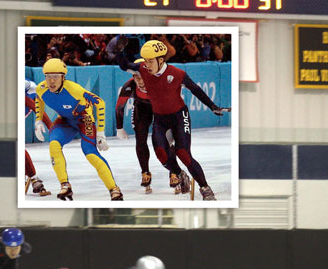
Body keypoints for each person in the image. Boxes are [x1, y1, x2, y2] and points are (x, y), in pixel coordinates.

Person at [118, 39, 230, 200]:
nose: (146, 65)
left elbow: (196, 89)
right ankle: (179, 173)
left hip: (179, 116)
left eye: (150, 61)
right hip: (161, 119)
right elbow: (124, 65)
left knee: (183, 153)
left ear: (161, 60)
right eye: (146, 61)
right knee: (161, 154)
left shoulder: (177, 74)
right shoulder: (142, 69)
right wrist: (120, 51)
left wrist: (212, 106)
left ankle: (205, 188)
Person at [34, 58, 123, 201]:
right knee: (54, 145)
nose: (51, 81)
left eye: (55, 77)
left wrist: (100, 132)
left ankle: (114, 189)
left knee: (90, 154)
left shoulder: (74, 89)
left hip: (84, 119)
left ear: (63, 77)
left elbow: (100, 103)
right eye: (48, 76)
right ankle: (65, 185)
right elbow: (38, 99)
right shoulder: (41, 88)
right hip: (65, 121)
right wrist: (38, 120)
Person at [115, 70, 180, 195]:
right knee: (140, 138)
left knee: (167, 139)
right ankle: (145, 172)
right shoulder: (129, 86)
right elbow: (119, 107)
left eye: (141, 78)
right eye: (136, 78)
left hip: (162, 107)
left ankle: (173, 171)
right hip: (142, 108)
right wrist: (119, 128)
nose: (139, 82)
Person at [24, 79, 51, 196]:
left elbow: (32, 104)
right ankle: (33, 177)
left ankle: (34, 178)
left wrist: (49, 126)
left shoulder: (27, 86)